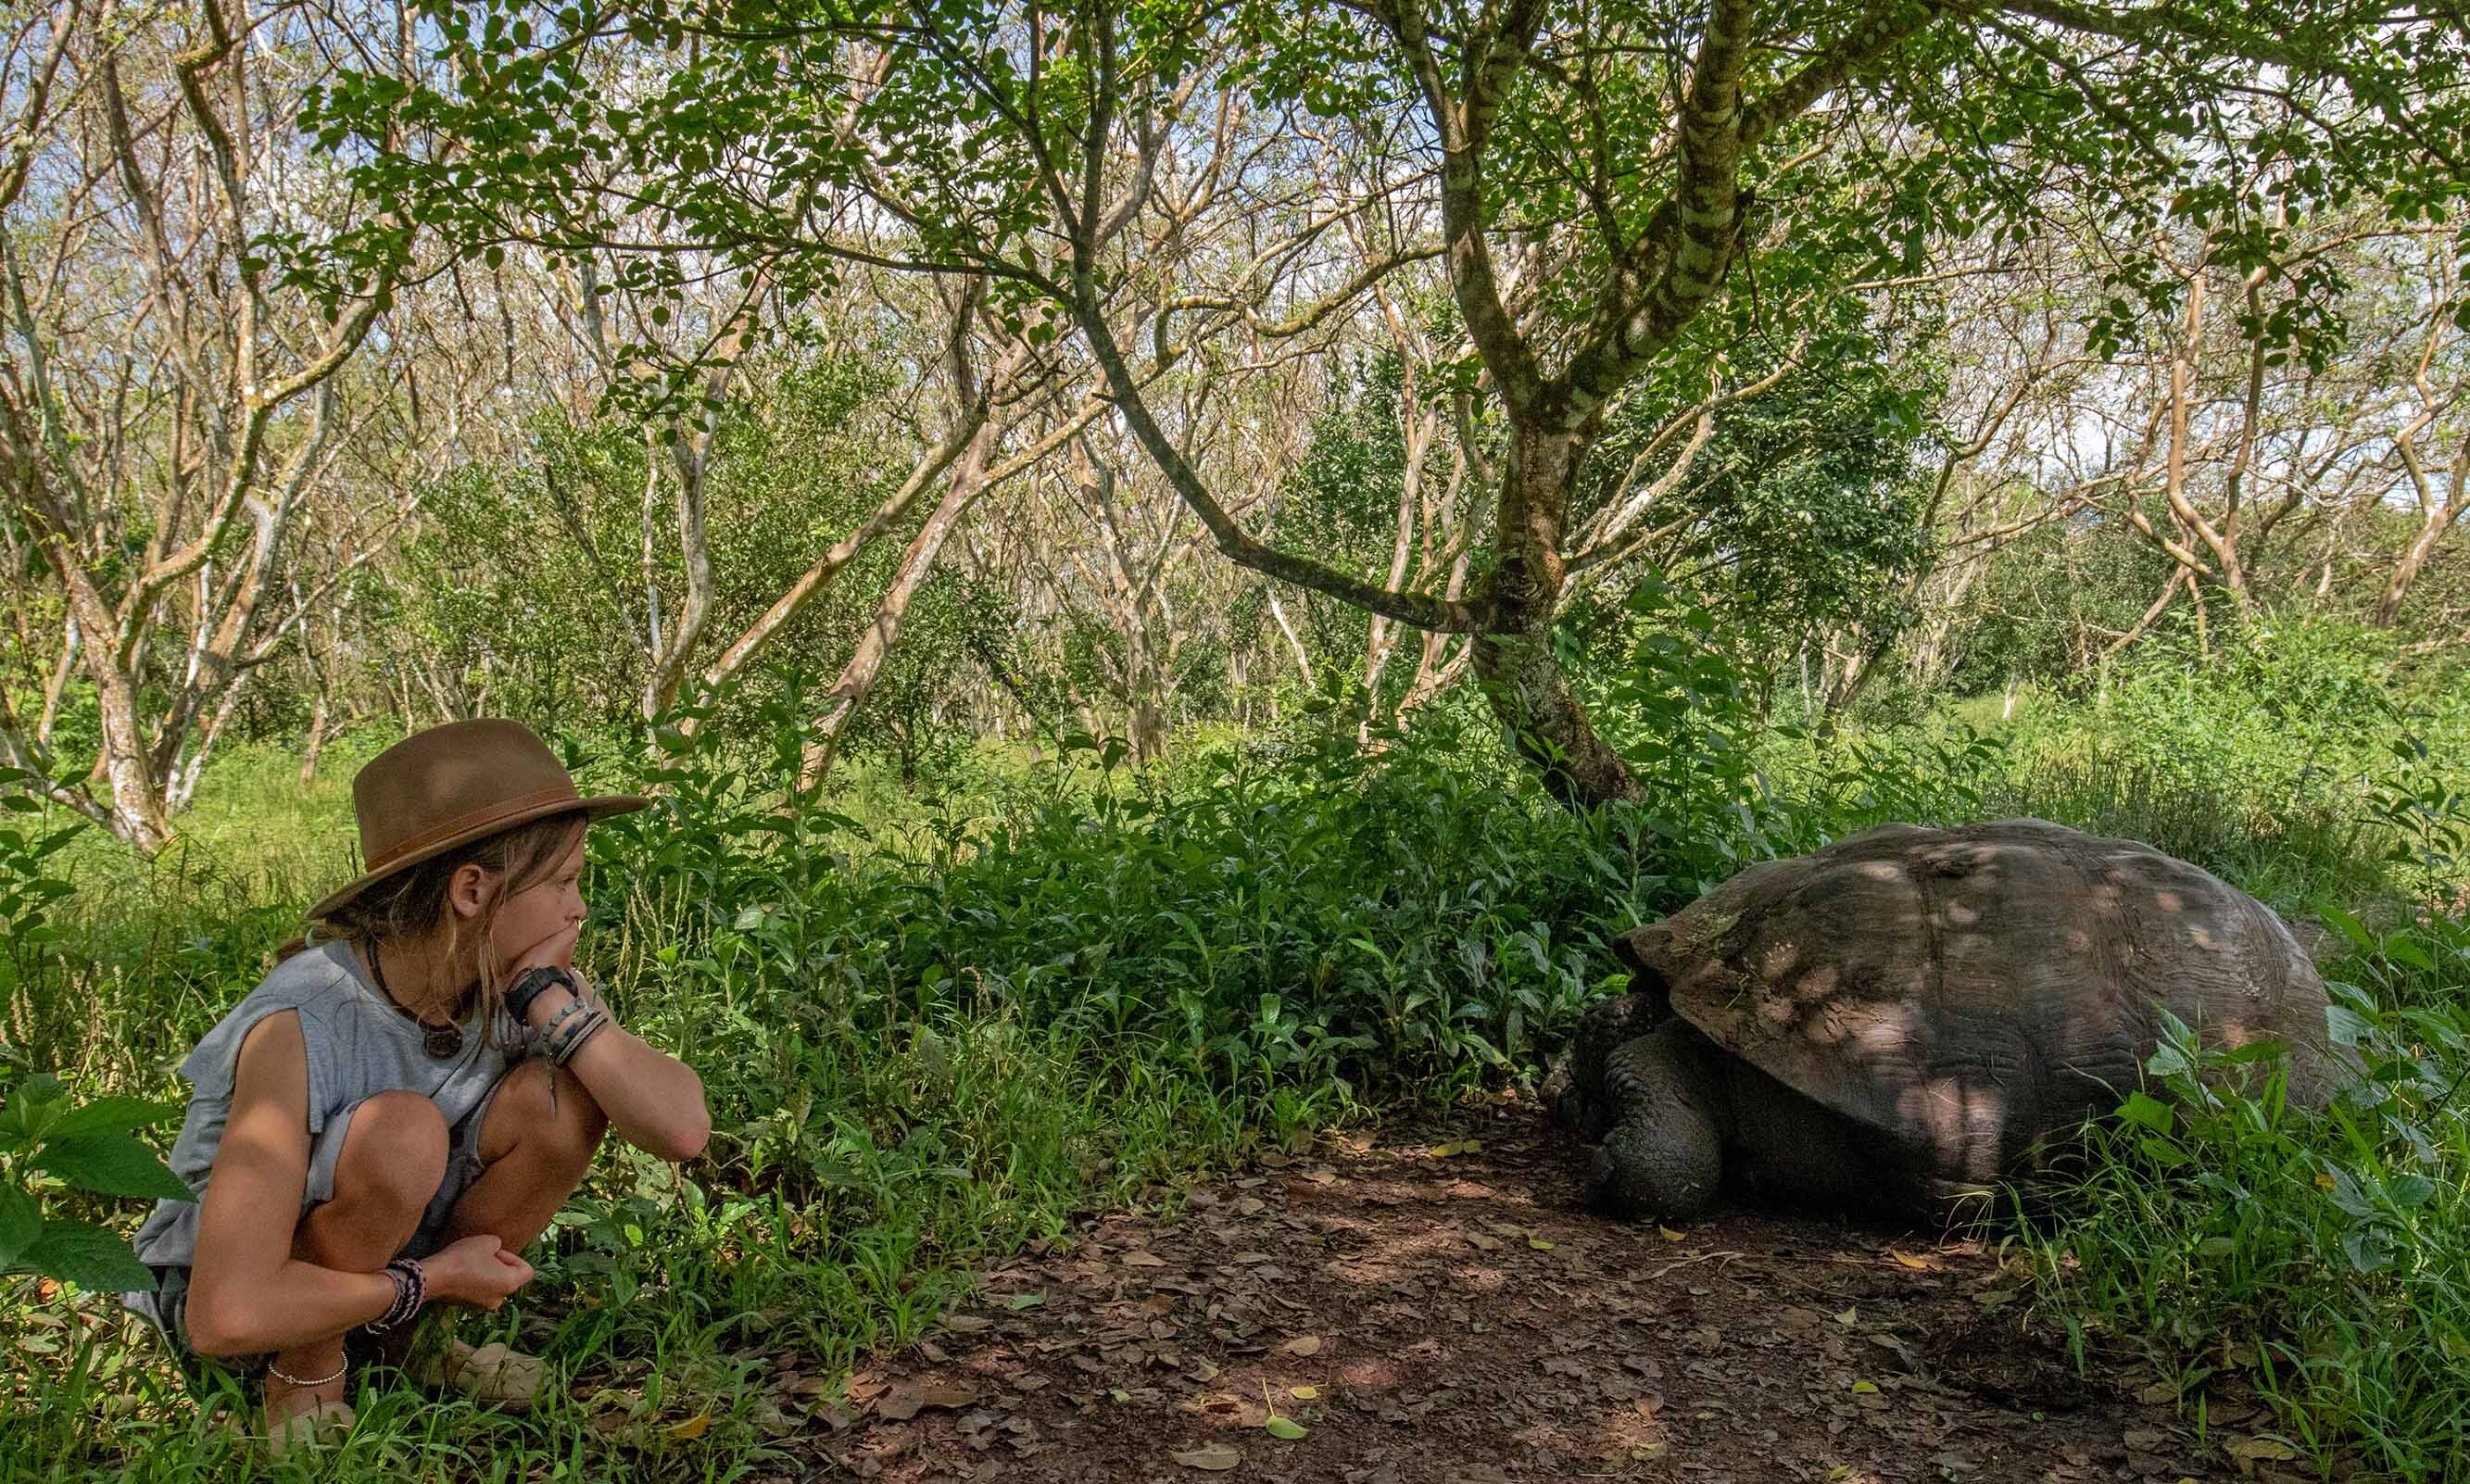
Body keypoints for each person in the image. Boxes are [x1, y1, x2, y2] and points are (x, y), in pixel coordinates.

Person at [122, 719, 712, 1453]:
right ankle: (302, 1383)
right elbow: (225, 1313)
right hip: (253, 1312)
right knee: (401, 1131)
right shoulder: (304, 1021)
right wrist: (429, 1279)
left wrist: (557, 1004)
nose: (578, 909)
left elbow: (682, 1131)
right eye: (563, 882)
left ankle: (415, 1347)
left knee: (565, 1098)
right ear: (471, 890)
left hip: (383, 1280)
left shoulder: (521, 983)